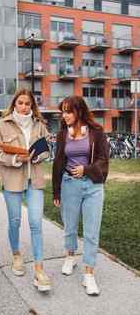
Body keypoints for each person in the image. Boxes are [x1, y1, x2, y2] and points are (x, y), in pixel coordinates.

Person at [0, 88, 51, 292]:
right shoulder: (2, 124)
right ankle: (16, 255)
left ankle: (39, 269)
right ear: (14, 104)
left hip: (34, 180)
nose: (24, 107)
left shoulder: (40, 124)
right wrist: (16, 158)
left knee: (36, 223)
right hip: (12, 181)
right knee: (15, 221)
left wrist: (36, 156)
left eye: (28, 103)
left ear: (32, 105)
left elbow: (46, 151)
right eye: (21, 103)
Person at [52, 95, 109, 296]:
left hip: (93, 187)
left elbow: (103, 160)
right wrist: (56, 190)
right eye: (63, 111)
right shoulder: (62, 135)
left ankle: (89, 274)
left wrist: (86, 169)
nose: (64, 115)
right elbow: (58, 163)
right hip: (69, 186)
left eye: (68, 111)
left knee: (92, 231)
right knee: (70, 226)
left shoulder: (96, 132)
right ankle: (70, 256)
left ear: (79, 111)